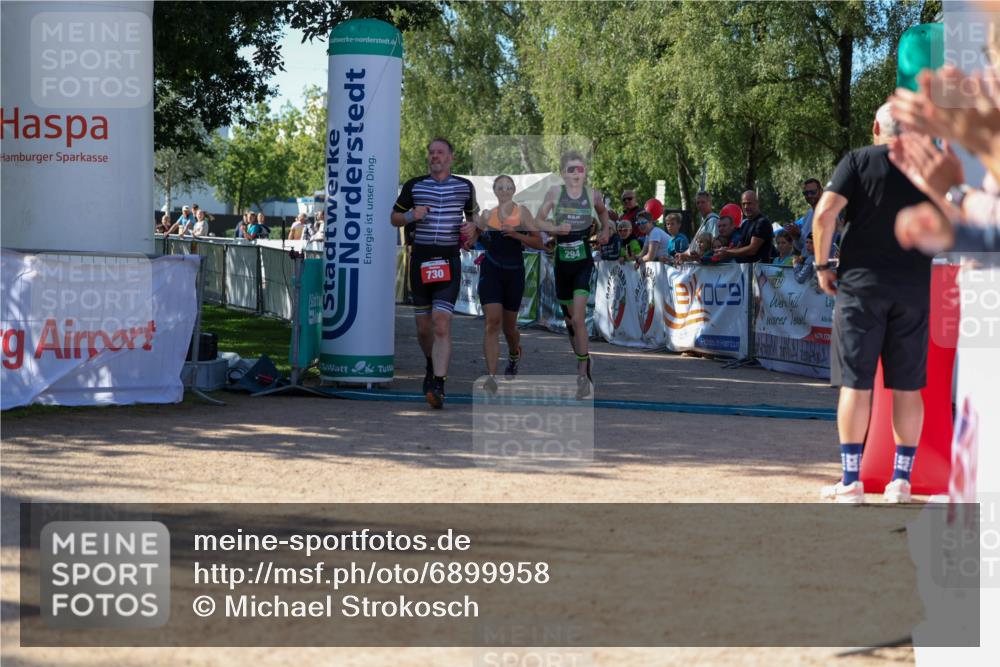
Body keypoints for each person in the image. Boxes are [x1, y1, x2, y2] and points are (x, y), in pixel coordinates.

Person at [812, 102, 931, 505]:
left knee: (856, 383)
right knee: (907, 386)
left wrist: (822, 264)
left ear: (877, 126)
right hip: (914, 287)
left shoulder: (858, 160)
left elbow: (825, 212)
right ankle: (901, 481)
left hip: (861, 288)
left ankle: (852, 481)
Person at [391, 137, 478, 409]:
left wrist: (473, 231)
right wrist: (410, 216)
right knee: (423, 328)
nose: (434, 156)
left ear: (451, 157)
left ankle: (439, 384)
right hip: (421, 261)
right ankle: (431, 365)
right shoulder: (414, 186)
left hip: (448, 260)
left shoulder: (465, 187)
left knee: (441, 322)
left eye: (440, 152)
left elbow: (474, 221)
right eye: (431, 153)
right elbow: (393, 217)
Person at [471, 175, 569, 393]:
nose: (504, 191)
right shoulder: (488, 215)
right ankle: (491, 377)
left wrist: (516, 234)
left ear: (513, 190)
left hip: (514, 272)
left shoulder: (522, 213)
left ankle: (514, 353)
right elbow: (474, 235)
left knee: (508, 328)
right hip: (491, 270)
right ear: (495, 191)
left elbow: (538, 242)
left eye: (508, 187)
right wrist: (469, 237)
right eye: (500, 187)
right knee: (492, 323)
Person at [536, 150, 613, 399]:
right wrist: (554, 228)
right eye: (571, 169)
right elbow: (539, 221)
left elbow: (604, 214)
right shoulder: (554, 194)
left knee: (579, 319)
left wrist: (605, 231)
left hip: (583, 262)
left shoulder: (593, 195)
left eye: (580, 169)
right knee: (570, 322)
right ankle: (583, 358)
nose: (576, 174)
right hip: (562, 262)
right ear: (563, 173)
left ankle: (582, 373)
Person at [715, 191, 772, 263]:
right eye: (743, 204)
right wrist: (726, 250)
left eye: (749, 203)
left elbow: (752, 250)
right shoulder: (746, 223)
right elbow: (739, 247)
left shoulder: (762, 222)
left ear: (757, 203)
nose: (746, 207)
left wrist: (728, 252)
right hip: (744, 269)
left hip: (760, 271)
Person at [796, 178, 824, 252]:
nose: (809, 195)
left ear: (821, 191)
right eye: (806, 193)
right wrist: (796, 235)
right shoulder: (808, 214)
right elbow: (802, 247)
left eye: (813, 192)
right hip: (807, 262)